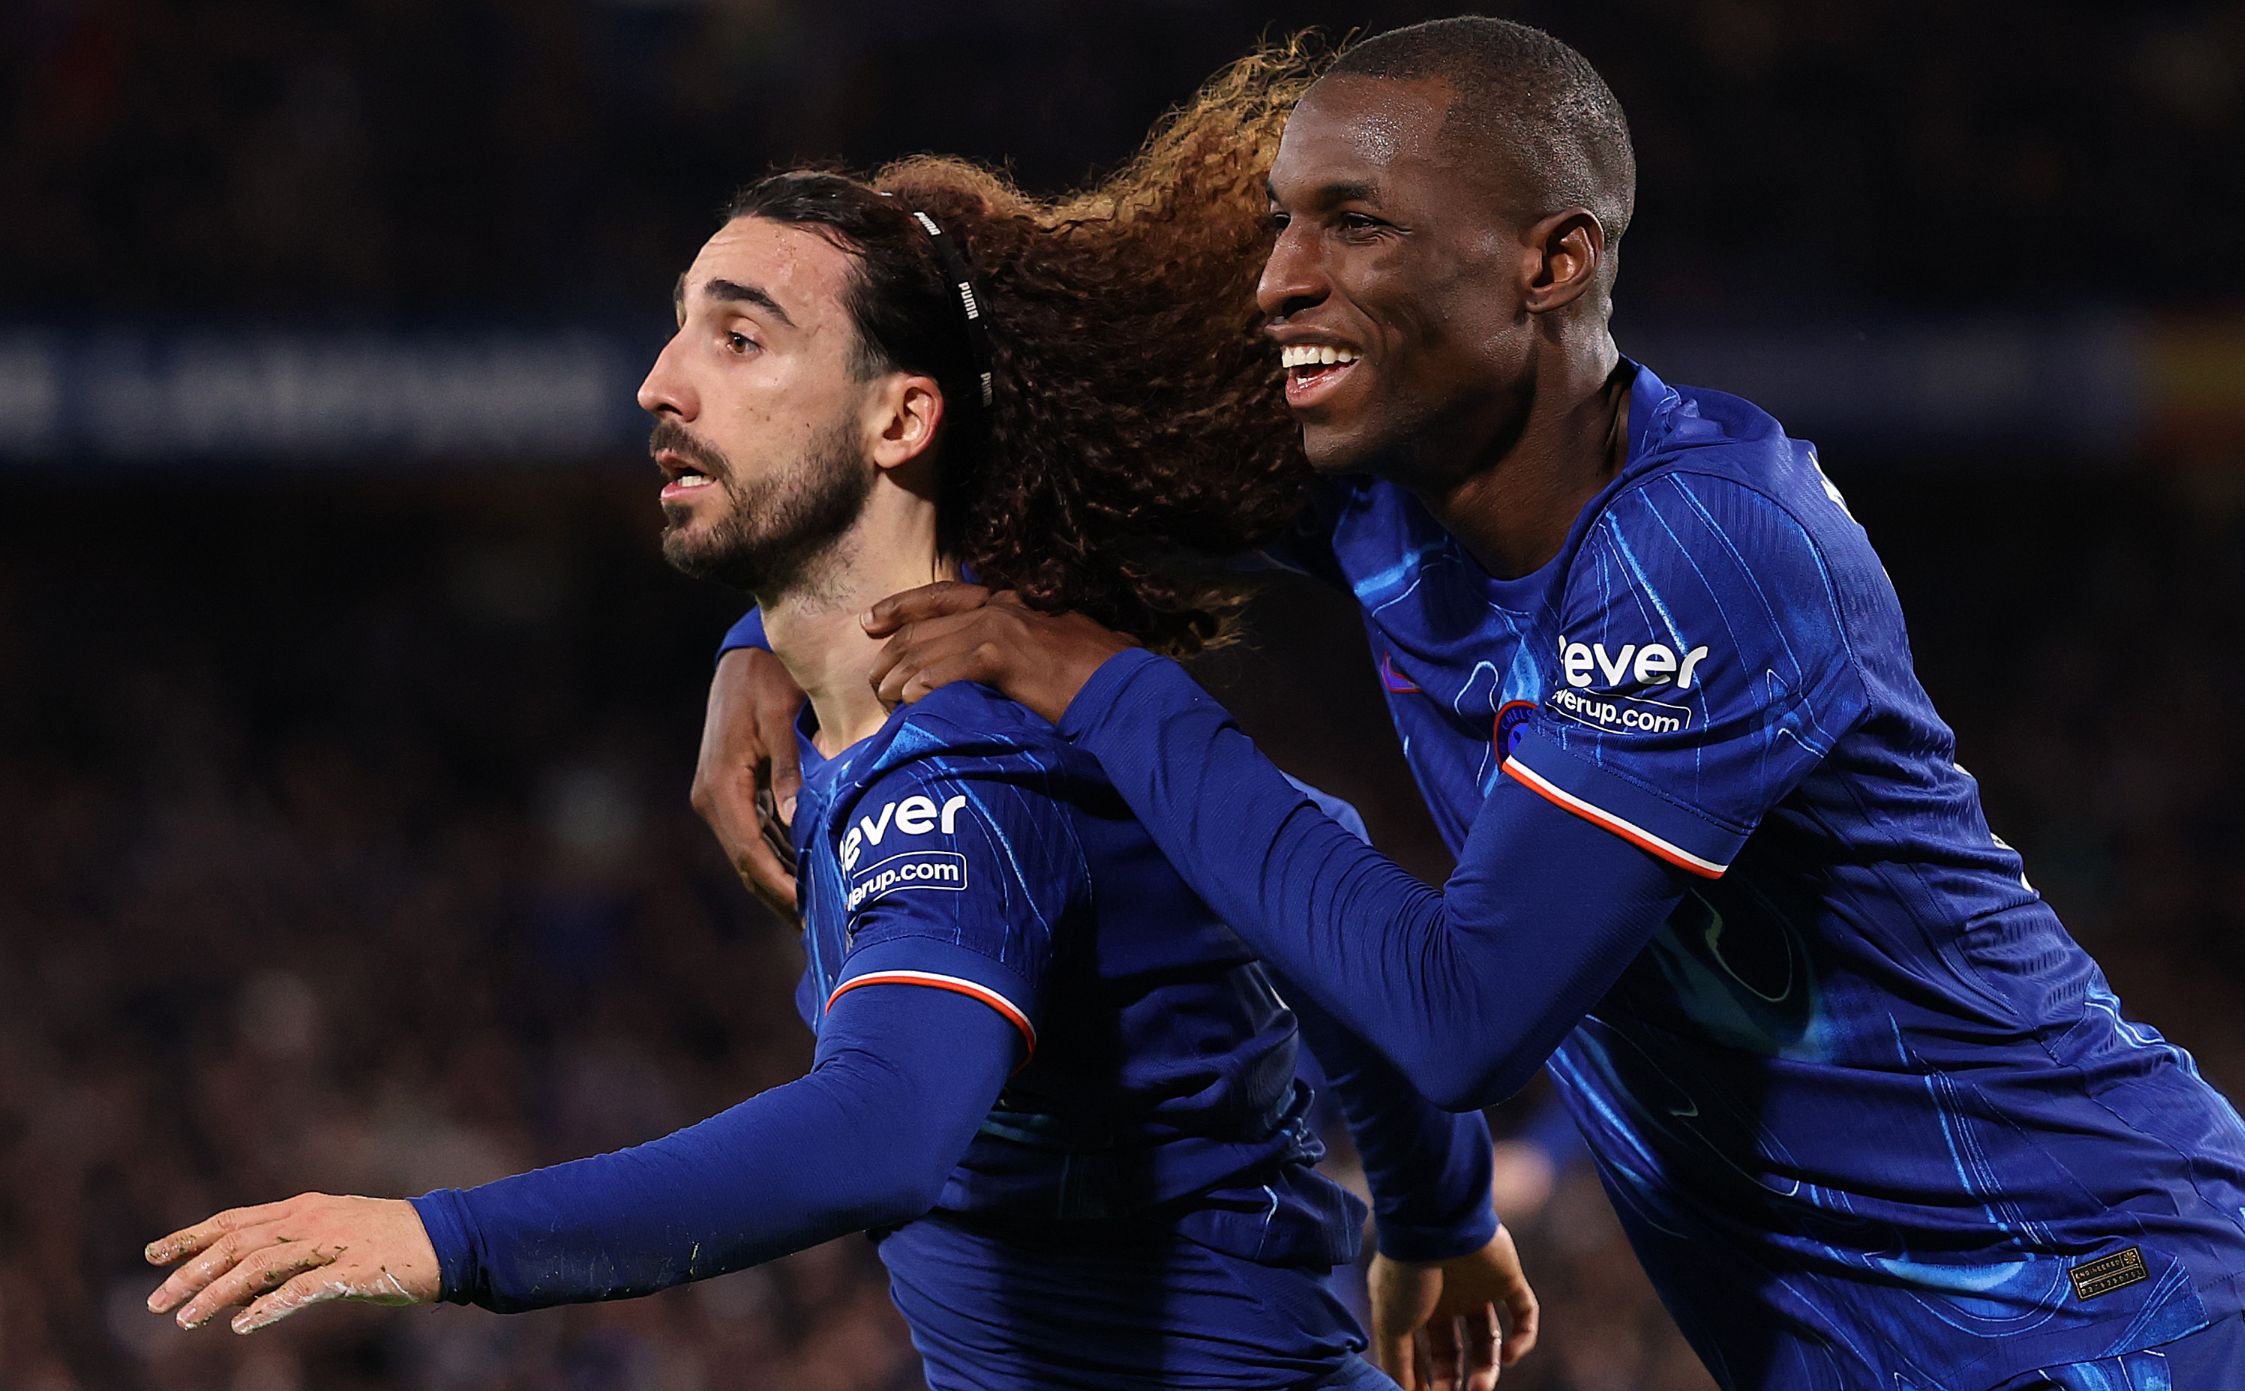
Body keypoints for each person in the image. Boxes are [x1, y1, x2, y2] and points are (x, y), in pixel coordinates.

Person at [705, 18, 2245, 1390]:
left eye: (1353, 225)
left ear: (1549, 262)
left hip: (2095, 1299)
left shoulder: (1703, 552)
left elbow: (1460, 1017)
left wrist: (1104, 685)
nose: (1277, 277)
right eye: (1277, 223)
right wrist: (763, 640)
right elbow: (983, 442)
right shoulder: (1376, 483)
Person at [142, 56, 1539, 1391]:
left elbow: (881, 1131)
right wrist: (1434, 1212)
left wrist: (440, 1241)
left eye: (739, 337)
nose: (660, 383)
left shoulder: (974, 771)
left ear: (900, 420)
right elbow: (1319, 864)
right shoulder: (921, 690)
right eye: (680, 323)